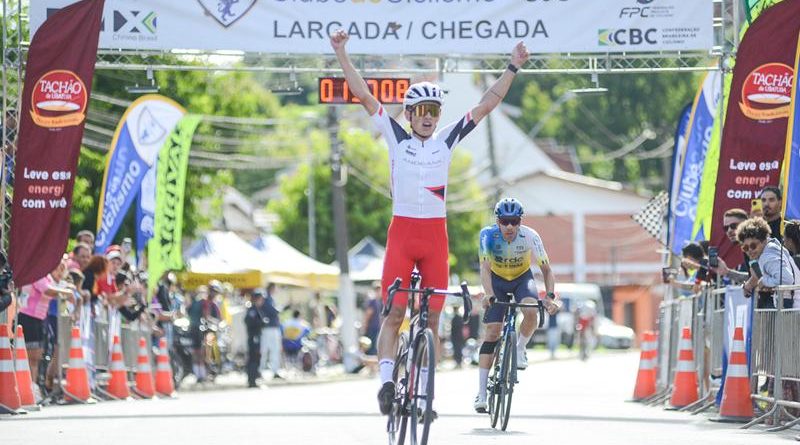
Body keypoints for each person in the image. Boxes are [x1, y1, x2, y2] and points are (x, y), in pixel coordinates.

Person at [330, 29, 531, 415]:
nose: (427, 118)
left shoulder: (446, 140)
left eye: (433, 112)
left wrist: (513, 67)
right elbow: (362, 94)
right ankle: (388, 383)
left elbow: (487, 104)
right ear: (408, 114)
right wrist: (342, 54)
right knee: (394, 314)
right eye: (420, 112)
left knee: (434, 319)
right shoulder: (393, 136)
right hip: (402, 235)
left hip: (435, 237)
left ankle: (424, 394)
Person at [473, 198, 560, 413]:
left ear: (520, 221)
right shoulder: (488, 235)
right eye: (504, 221)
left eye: (514, 221)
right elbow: (485, 268)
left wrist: (549, 296)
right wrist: (489, 294)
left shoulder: (531, 236)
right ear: (498, 221)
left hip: (522, 279)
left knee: (531, 310)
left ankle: (520, 349)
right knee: (492, 332)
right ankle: (481, 394)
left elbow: (547, 270)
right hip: (497, 281)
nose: (509, 226)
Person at [737, 217, 800, 309]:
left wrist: (764, 282)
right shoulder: (773, 247)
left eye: (753, 246)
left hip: (791, 310)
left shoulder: (767, 256)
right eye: (745, 248)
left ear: (763, 241)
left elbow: (786, 279)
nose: (749, 251)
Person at [712, 208, 750, 284]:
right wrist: (726, 272)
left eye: (733, 226)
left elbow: (758, 278)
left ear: (746, 224)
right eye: (726, 228)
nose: (729, 231)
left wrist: (727, 272)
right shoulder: (745, 248)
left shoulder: (755, 246)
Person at [260, 283, 283, 379]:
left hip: (272, 328)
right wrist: (281, 309)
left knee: (274, 350)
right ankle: (260, 370)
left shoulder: (270, 298)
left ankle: (274, 370)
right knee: (265, 350)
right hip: (268, 328)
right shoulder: (267, 298)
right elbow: (273, 311)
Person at [244, 290, 267, 388]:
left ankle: (254, 378)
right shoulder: (252, 310)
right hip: (253, 337)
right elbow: (249, 322)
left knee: (256, 358)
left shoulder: (257, 310)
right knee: (253, 358)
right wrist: (261, 323)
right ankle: (252, 380)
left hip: (256, 336)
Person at [361, 283, 382, 357]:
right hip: (372, 328)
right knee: (371, 347)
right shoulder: (372, 302)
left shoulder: (380, 301)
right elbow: (368, 315)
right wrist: (364, 327)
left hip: (378, 327)